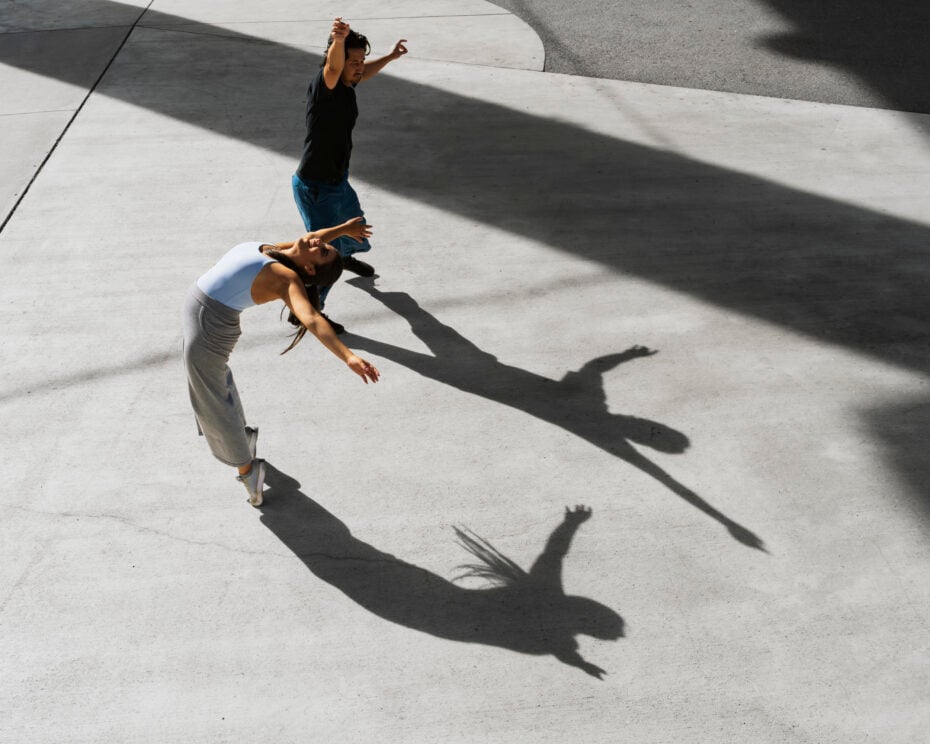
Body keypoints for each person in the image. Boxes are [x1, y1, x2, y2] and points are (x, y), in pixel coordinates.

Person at [183, 216, 381, 506]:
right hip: (204, 318)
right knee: (215, 385)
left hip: (209, 326)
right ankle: (243, 437)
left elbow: (311, 317)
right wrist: (343, 230)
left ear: (310, 267)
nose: (319, 242)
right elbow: (314, 234)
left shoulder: (284, 277)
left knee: (211, 399)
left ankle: (248, 472)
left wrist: (348, 355)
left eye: (323, 250)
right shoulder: (278, 252)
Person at [292, 16, 408, 333]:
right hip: (316, 186)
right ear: (337, 58)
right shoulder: (324, 86)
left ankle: (346, 257)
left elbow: (362, 74)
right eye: (352, 61)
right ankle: (308, 310)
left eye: (361, 60)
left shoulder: (346, 83)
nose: (358, 67)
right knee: (323, 256)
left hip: (336, 180)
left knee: (355, 221)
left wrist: (390, 57)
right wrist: (339, 40)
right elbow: (333, 67)